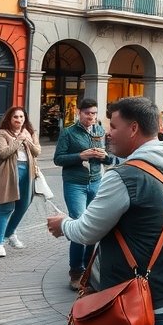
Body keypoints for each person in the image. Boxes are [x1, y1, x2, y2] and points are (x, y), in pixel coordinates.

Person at [47, 96, 163, 325]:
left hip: (144, 309)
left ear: (133, 129)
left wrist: (63, 224)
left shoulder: (125, 177)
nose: (108, 133)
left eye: (113, 126)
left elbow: (87, 232)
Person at [53, 97, 113, 290]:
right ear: (79, 113)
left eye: (94, 113)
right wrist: (81, 156)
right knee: (79, 224)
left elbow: (110, 159)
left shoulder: (100, 131)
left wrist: (105, 156)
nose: (92, 117)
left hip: (96, 182)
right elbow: (58, 159)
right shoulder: (68, 132)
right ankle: (75, 272)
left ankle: (89, 268)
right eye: (88, 113)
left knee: (94, 225)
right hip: (75, 184)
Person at [0, 106, 40, 257]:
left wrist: (28, 140)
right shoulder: (1, 133)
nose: (19, 120)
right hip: (9, 171)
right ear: (9, 119)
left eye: (21, 117)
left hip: (29, 170)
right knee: (6, 208)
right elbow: (2, 153)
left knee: (23, 205)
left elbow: (37, 151)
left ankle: (10, 234)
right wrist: (18, 139)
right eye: (15, 117)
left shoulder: (30, 132)